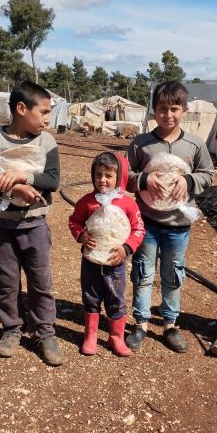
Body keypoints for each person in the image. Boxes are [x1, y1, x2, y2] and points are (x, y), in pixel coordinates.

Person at [0, 80, 64, 366]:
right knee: (4, 281)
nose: (48, 119)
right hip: (1, 226)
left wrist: (21, 176)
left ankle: (44, 333)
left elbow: (51, 180)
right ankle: (12, 329)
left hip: (34, 225)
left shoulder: (46, 142)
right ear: (21, 109)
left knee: (40, 281)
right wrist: (12, 190)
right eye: (44, 112)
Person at [125, 81, 214, 353]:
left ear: (185, 110)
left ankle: (170, 323)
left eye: (174, 108)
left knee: (173, 273)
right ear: (154, 111)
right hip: (146, 223)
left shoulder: (194, 144)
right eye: (162, 109)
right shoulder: (141, 144)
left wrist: (189, 179)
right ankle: (140, 323)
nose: (168, 114)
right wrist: (144, 178)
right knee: (142, 272)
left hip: (178, 225)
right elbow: (124, 177)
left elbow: (209, 174)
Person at [68, 151, 145, 357]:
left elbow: (139, 229)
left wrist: (126, 248)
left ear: (119, 177)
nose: (103, 180)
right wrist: (81, 235)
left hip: (115, 263)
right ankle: (90, 336)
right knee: (90, 297)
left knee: (115, 299)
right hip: (91, 261)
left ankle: (116, 337)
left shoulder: (128, 204)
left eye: (109, 176)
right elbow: (74, 221)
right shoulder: (87, 202)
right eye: (98, 175)